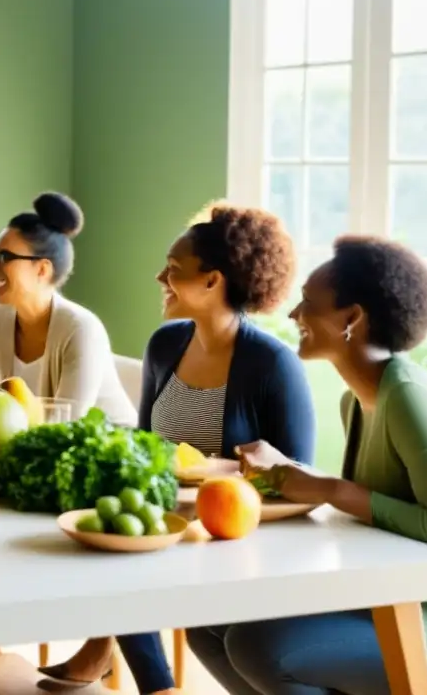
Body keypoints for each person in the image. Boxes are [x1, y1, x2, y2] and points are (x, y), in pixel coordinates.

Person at [41, 202, 317, 694]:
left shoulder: (273, 365)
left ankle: (124, 667)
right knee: (106, 536)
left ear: (211, 281)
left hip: (234, 538)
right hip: (171, 526)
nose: (158, 278)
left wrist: (217, 485)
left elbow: (300, 486)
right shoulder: (164, 345)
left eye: (172, 269)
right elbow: (149, 449)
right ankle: (146, 678)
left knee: (125, 559)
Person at [188, 235, 427, 695]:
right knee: (204, 622)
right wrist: (291, 475)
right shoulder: (354, 402)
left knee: (259, 647)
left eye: (308, 302)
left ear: (352, 318)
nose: (295, 315)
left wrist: (333, 490)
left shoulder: (409, 397)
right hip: (379, 599)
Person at [0, 192, 137, 424]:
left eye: (4, 257)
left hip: (106, 451)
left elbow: (64, 428)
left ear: (42, 270)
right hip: (36, 450)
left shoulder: (81, 328)